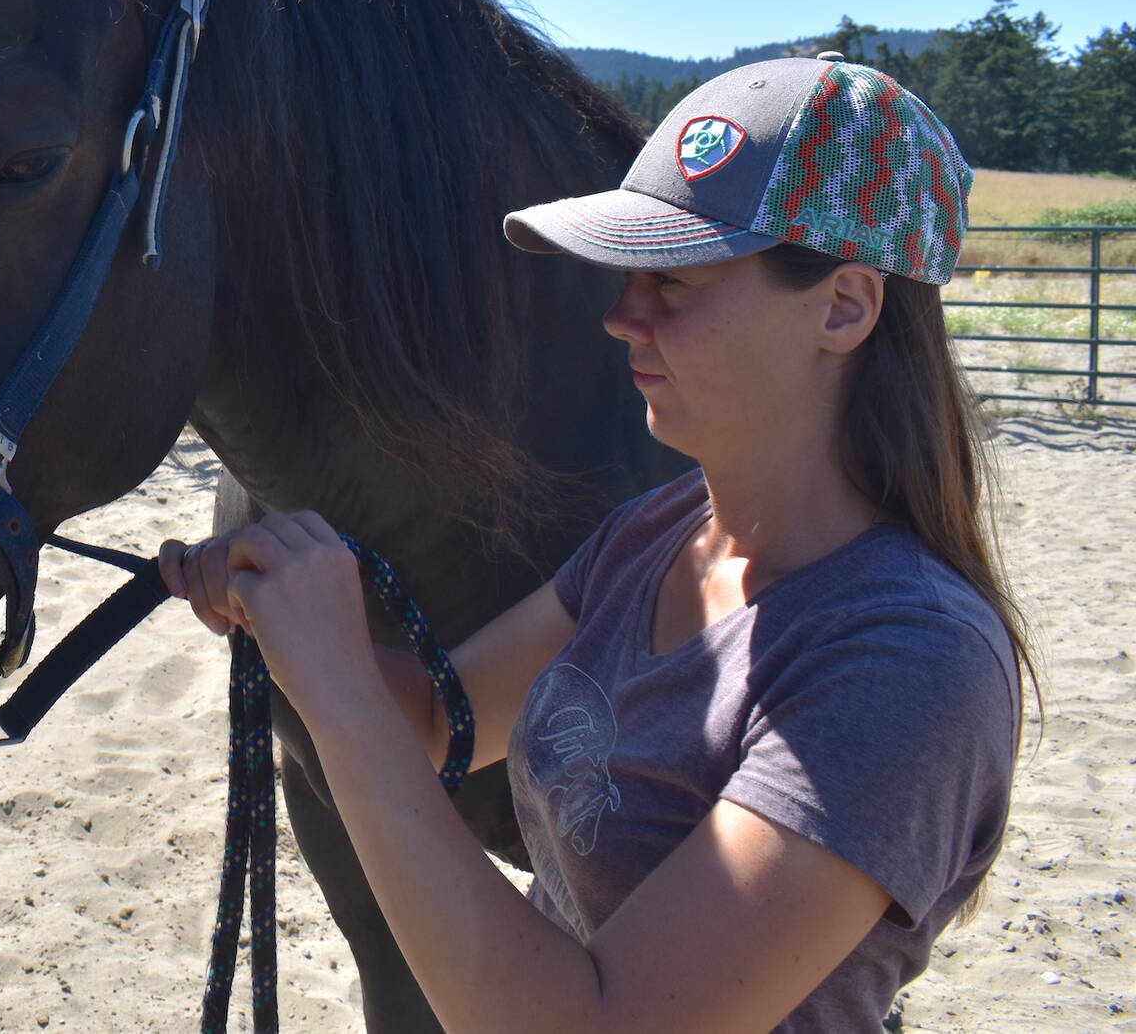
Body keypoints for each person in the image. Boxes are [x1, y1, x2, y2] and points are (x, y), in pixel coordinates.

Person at [159, 52, 1034, 1033]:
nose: (621, 319)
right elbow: (441, 722)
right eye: (627, 278)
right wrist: (287, 617)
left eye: (676, 283)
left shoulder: (904, 664)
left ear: (841, 307)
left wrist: (337, 686)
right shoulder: (657, 536)